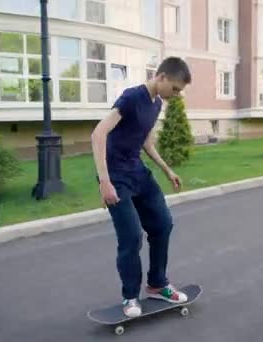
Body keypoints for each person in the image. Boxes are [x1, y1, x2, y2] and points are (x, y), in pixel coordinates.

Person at [91, 57, 192, 318]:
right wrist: (104, 181)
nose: (176, 95)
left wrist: (167, 169)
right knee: (132, 237)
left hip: (137, 172)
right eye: (176, 89)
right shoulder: (132, 97)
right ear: (162, 78)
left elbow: (145, 140)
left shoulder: (156, 103)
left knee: (162, 224)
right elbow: (98, 133)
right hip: (116, 176)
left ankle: (157, 284)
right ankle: (130, 297)